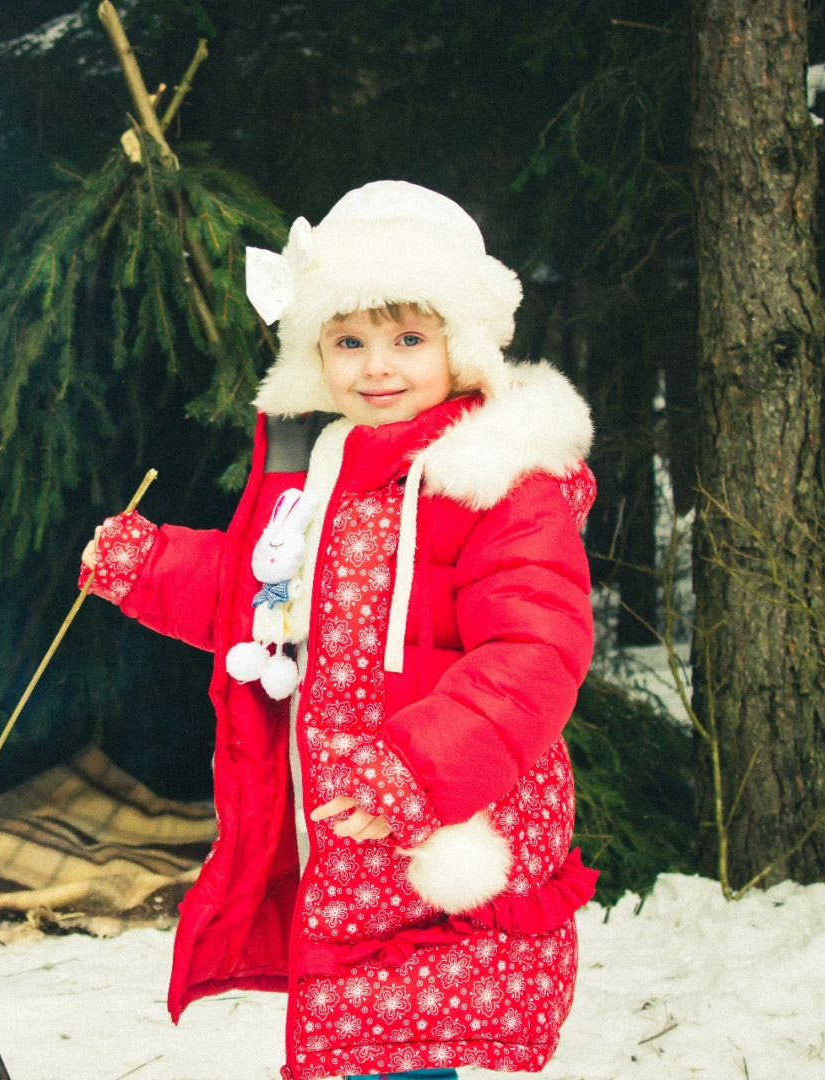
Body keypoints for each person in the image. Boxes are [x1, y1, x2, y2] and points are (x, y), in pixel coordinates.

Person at [80, 181, 601, 1079]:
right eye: (348, 341)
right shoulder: (326, 465)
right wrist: (151, 566)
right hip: (347, 827)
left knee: (419, 1041)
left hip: (446, 814)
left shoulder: (496, 477)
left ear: (460, 346)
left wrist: (418, 769)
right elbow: (267, 600)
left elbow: (533, 650)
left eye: (408, 340)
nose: (377, 367)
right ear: (314, 353)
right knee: (363, 1041)